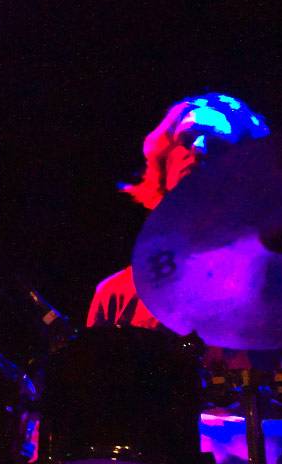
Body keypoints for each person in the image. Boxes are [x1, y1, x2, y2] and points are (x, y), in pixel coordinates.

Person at [86, 93, 272, 329]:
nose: (199, 148)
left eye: (217, 145)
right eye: (186, 139)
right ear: (163, 166)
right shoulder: (118, 294)